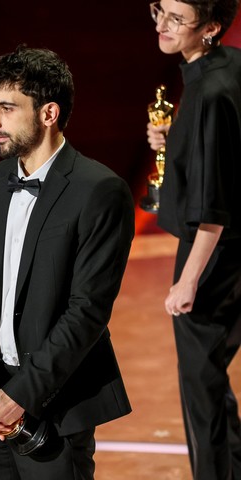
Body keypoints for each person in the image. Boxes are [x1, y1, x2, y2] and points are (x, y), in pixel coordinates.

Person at [0, 45, 135, 480]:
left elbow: (86, 311)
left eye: (6, 108)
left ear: (48, 113)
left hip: (56, 406)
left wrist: (20, 396)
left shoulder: (99, 190)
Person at [145, 1, 241, 478]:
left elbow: (213, 208)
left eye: (177, 18)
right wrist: (175, 143)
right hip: (231, 248)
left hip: (215, 253)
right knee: (212, 378)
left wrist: (187, 282)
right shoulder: (231, 64)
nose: (162, 24)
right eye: (159, 8)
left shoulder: (208, 92)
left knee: (200, 390)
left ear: (211, 28)